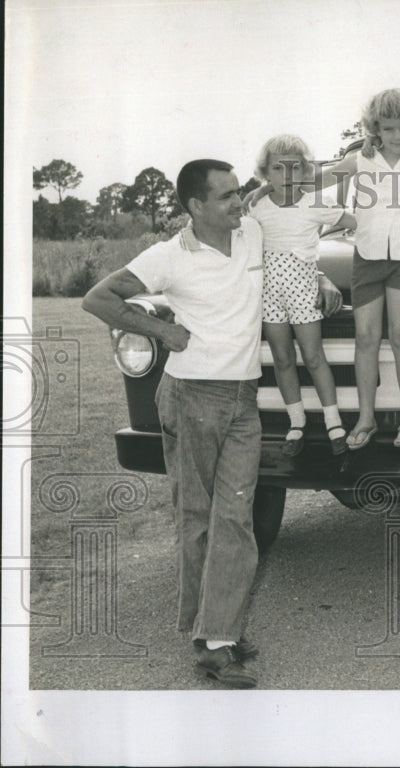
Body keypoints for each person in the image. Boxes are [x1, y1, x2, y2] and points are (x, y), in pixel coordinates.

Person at [82, 159, 342, 688]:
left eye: (237, 193)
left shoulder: (249, 233)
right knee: (198, 517)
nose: (237, 202)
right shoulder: (168, 256)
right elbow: (98, 298)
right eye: (224, 197)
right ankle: (212, 638)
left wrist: (317, 278)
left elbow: (288, 248)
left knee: (235, 520)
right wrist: (159, 330)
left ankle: (216, 635)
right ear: (195, 206)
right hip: (191, 398)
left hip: (243, 400)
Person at [246, 89, 400, 449]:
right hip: (366, 258)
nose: (398, 136)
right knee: (365, 338)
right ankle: (365, 418)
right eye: (389, 128)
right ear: (375, 128)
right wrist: (262, 190)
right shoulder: (360, 160)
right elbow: (315, 179)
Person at [249, 134, 356, 458]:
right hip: (270, 291)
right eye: (279, 169)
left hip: (303, 287)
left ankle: (333, 421)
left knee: (313, 357)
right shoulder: (257, 205)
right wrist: (260, 191)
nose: (288, 175)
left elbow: (355, 224)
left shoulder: (316, 203)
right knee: (282, 359)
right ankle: (296, 422)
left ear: (306, 170)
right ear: (266, 172)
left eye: (296, 167)